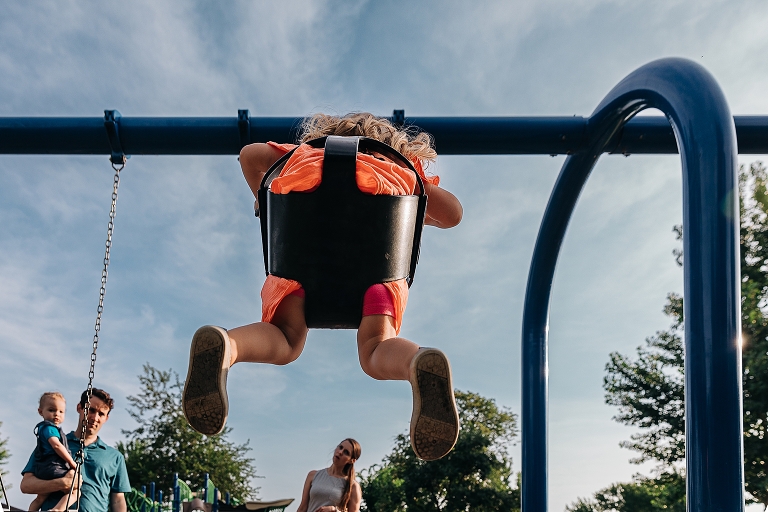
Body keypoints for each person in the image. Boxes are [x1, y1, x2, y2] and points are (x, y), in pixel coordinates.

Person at [182, 113, 462, 460]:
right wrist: (414, 200)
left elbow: (249, 154)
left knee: (286, 337)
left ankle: (229, 346)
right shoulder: (402, 172)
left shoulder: (300, 156)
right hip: (377, 269)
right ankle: (415, 365)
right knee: (376, 347)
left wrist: (263, 197)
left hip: (300, 263)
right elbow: (453, 214)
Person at [21, 388, 131, 512]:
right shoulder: (53, 442)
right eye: (91, 410)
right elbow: (26, 485)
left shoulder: (115, 457)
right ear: (79, 408)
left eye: (101, 414)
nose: (95, 417)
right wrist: (61, 483)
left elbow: (118, 499)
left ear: (106, 418)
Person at [28, 392, 80, 512]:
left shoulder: (43, 428)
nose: (57, 414)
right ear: (41, 412)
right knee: (75, 492)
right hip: (54, 468)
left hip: (44, 470)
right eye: (52, 410)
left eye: (61, 412)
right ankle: (57, 510)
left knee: (40, 498)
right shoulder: (50, 429)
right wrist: (72, 462)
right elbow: (57, 446)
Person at [296, 439, 362, 512]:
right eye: (340, 447)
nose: (340, 452)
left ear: (352, 460)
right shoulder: (313, 475)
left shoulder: (353, 486)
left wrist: (334, 510)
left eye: (346, 452)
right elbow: (302, 508)